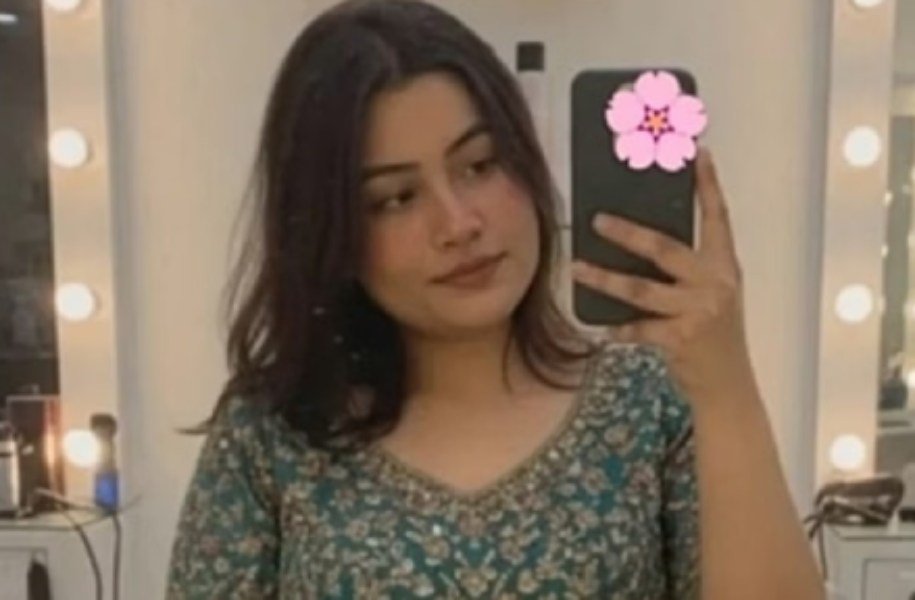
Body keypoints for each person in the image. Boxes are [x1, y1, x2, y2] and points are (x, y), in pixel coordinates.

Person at [165, 1, 824, 598]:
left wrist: (725, 385)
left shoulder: (648, 404)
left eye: (479, 165)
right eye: (396, 199)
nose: (458, 223)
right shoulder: (271, 437)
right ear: (331, 232)